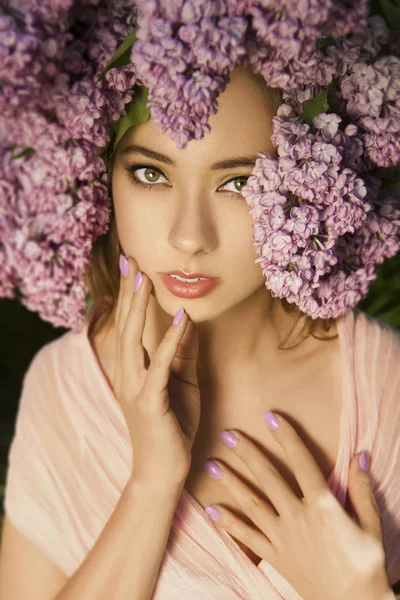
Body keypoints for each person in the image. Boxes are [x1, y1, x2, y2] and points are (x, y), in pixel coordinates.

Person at [1, 62, 399, 600]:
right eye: (150, 174)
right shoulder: (67, 390)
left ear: (312, 186)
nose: (189, 237)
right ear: (102, 179)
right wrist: (149, 486)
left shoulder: (389, 391)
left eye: (240, 182)